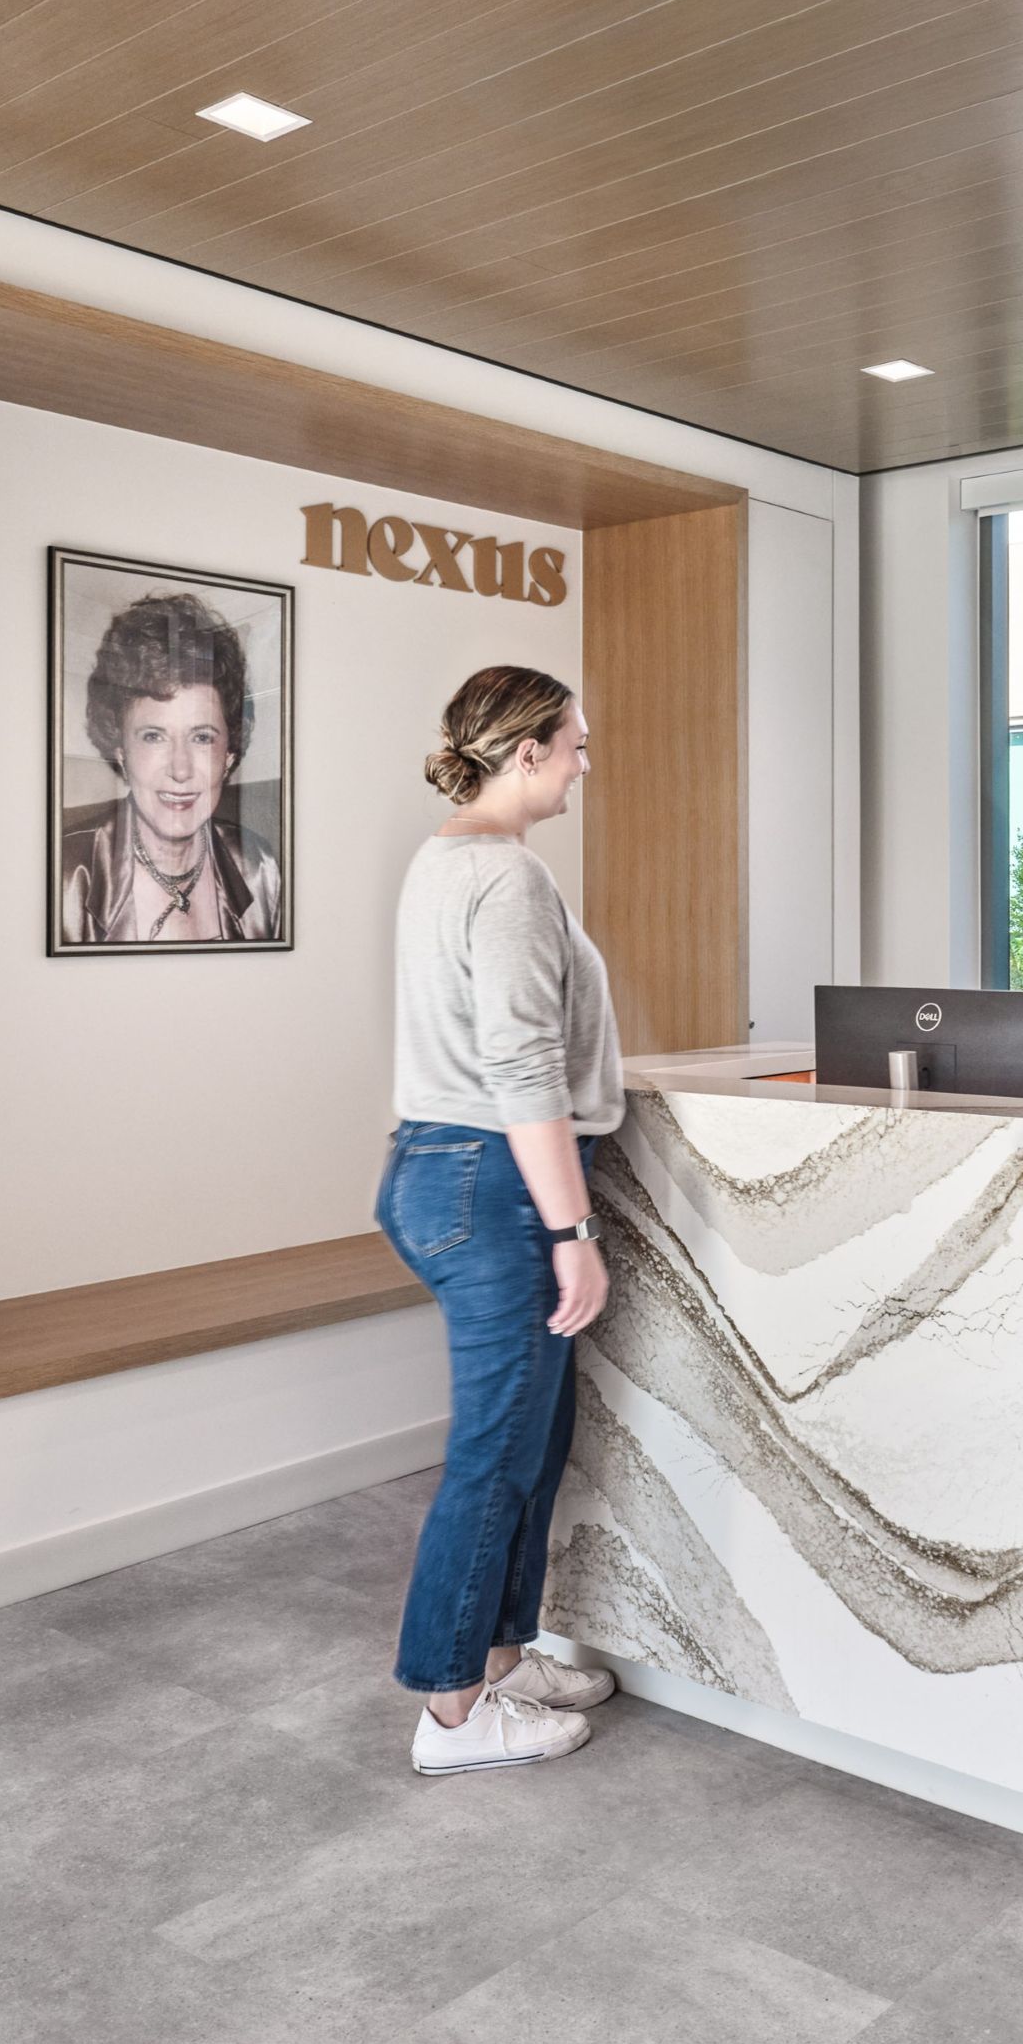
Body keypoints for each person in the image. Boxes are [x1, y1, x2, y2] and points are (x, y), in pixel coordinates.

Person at [379, 664, 624, 1775]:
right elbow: (523, 1069)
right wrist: (571, 1232)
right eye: (573, 742)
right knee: (494, 1453)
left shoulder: (445, 860)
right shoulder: (509, 880)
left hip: (442, 1169)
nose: (584, 760)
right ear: (524, 752)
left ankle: (503, 1656)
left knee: (533, 1437)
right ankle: (451, 1714)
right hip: (491, 1178)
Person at [59, 589, 283, 944]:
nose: (180, 770)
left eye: (202, 737)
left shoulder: (262, 868)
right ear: (121, 750)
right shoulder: (66, 876)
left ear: (228, 755)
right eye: (154, 736)